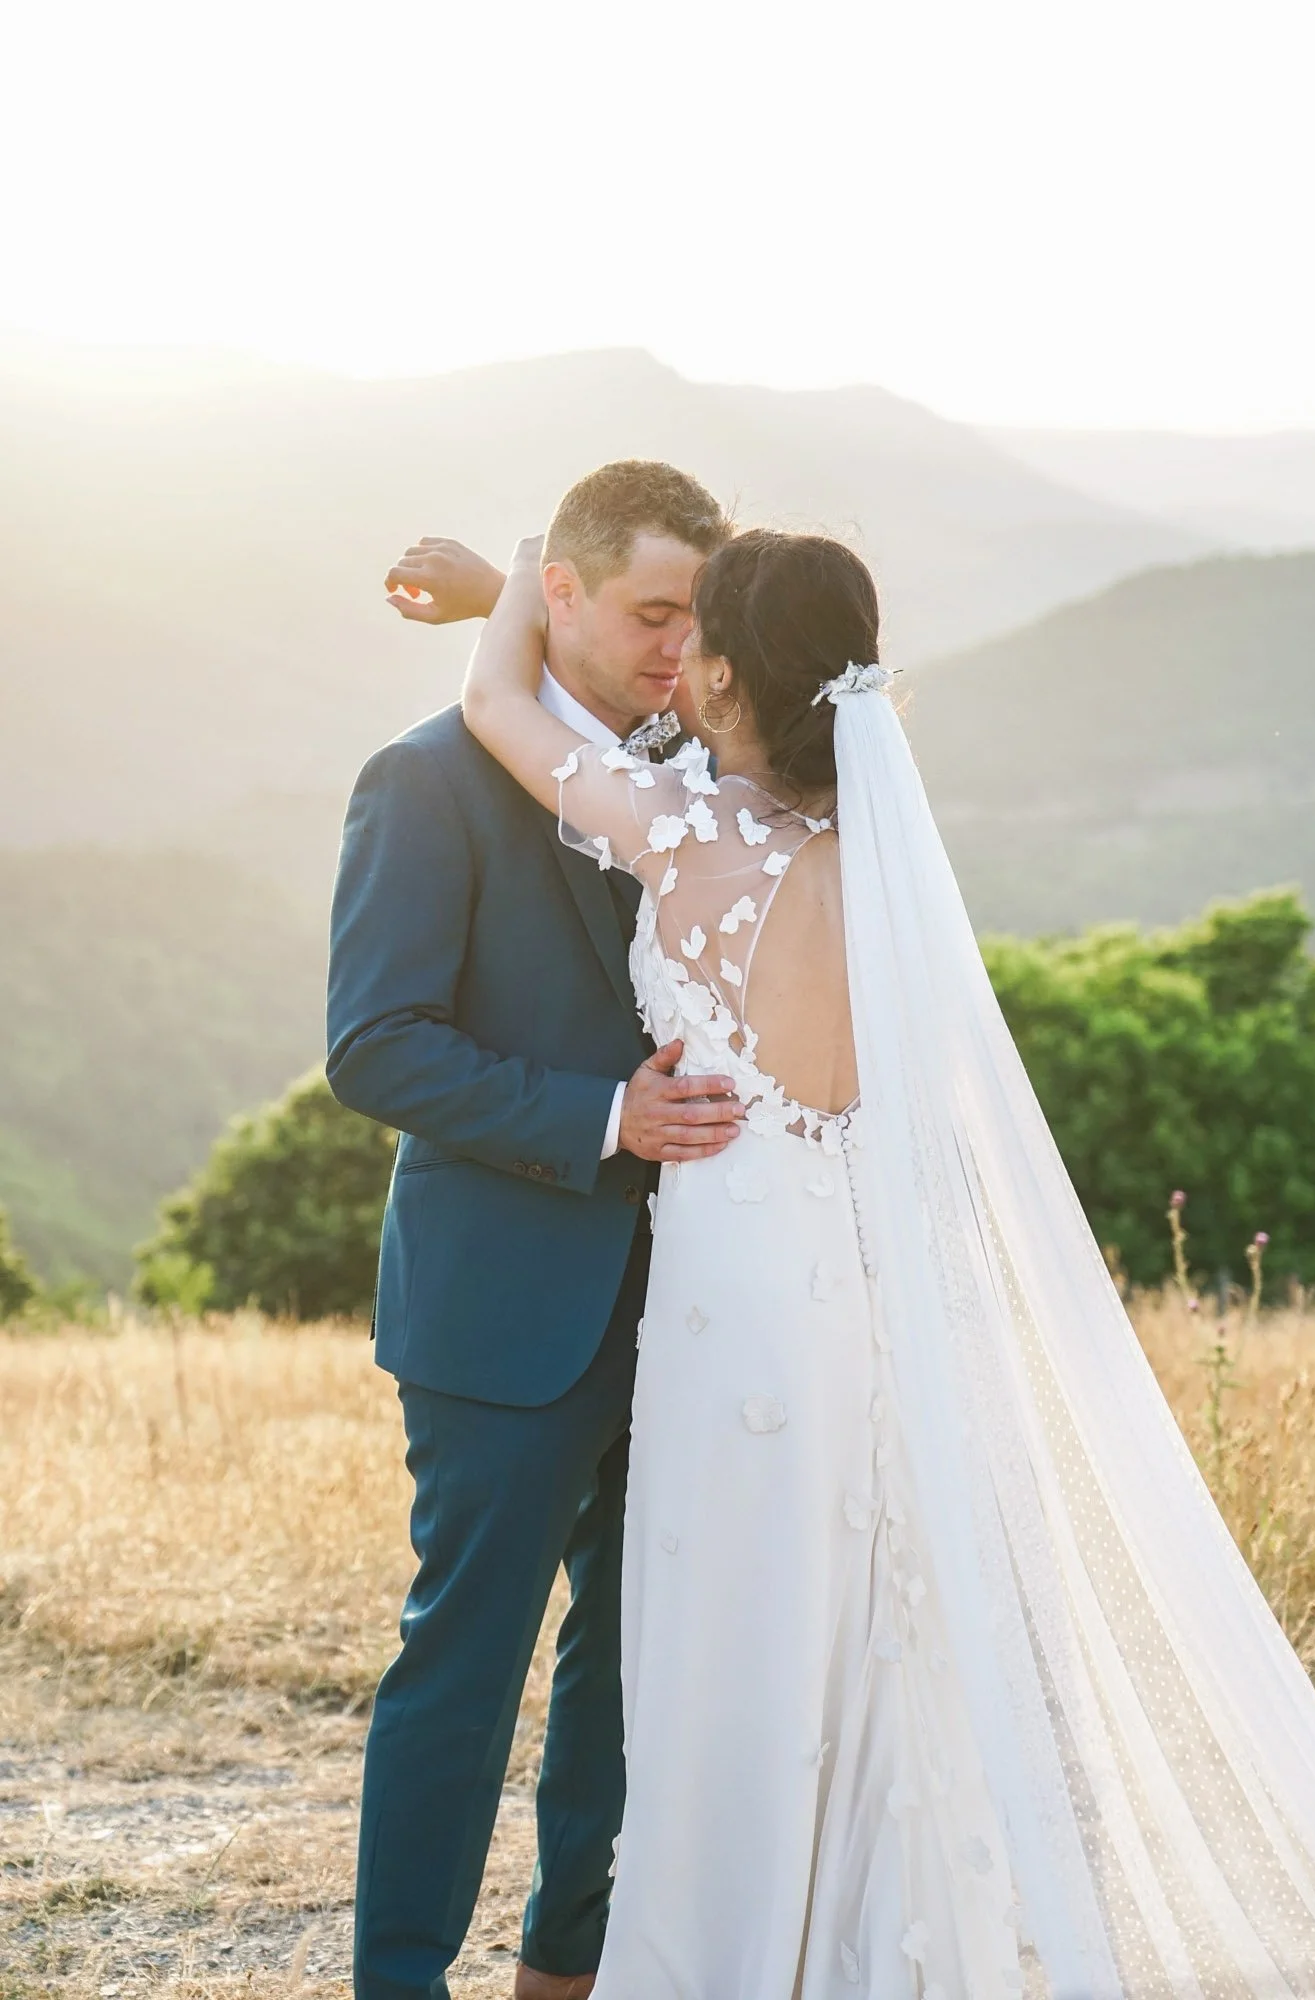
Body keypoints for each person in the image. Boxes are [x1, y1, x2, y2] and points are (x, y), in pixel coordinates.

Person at [434, 522, 1315, 1997]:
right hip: (872, 1304)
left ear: (719, 676)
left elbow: (495, 709)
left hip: (736, 1319)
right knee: (869, 1636)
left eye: (695, 644)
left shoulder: (684, 834)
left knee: (730, 1651)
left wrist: (528, 576)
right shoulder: (889, 868)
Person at [326, 460, 740, 2000]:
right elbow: (376, 1046)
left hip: (699, 1295)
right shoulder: (423, 779)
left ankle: (570, 1965)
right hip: (503, 1303)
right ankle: (398, 1978)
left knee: (629, 1667)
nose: (680, 644)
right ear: (555, 592)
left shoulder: (701, 762)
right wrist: (600, 1115)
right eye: (653, 610)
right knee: (466, 1666)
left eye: (700, 615)